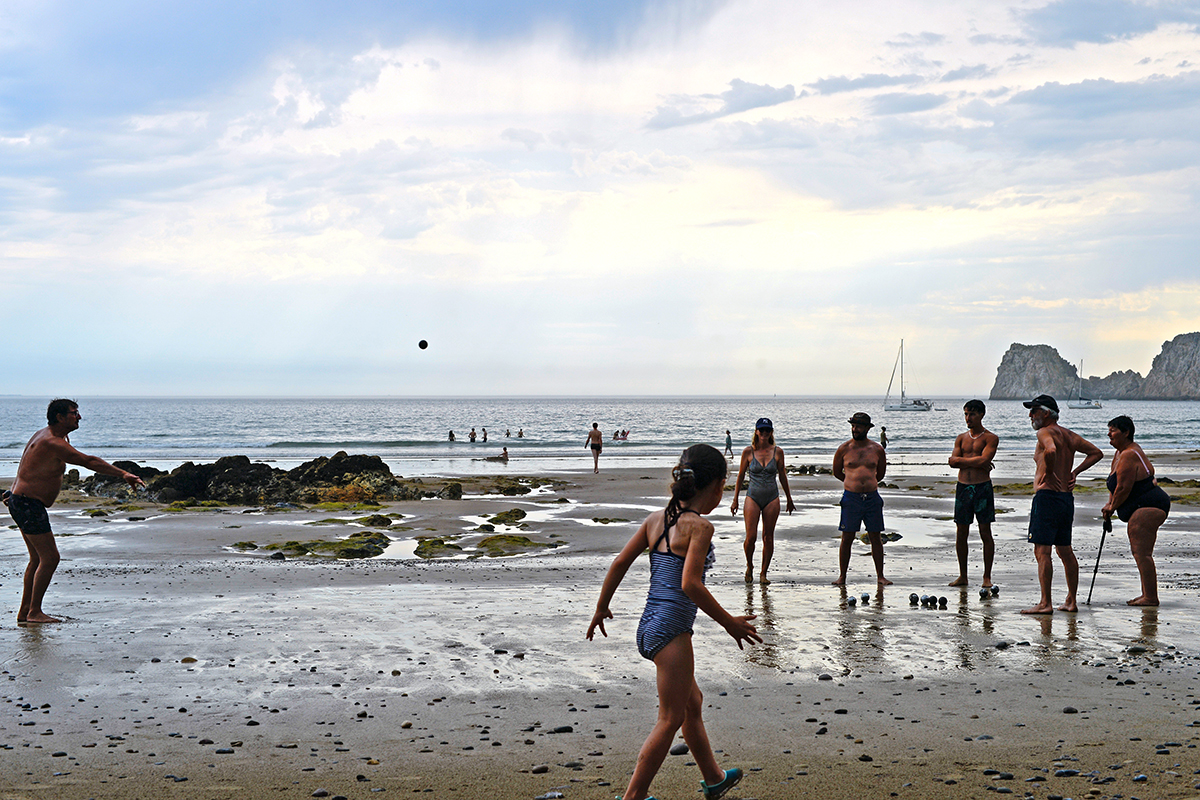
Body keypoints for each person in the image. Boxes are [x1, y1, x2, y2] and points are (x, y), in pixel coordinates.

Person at [587, 444, 759, 800]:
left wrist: (601, 607)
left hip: (649, 626)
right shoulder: (700, 527)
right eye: (723, 489)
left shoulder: (656, 519)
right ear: (715, 487)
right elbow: (690, 584)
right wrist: (729, 623)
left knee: (691, 703)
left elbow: (620, 562)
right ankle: (634, 795)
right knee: (670, 718)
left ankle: (714, 778)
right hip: (671, 631)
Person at [4, 399, 146, 623]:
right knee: (50, 559)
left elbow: (28, 467)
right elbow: (87, 461)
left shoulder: (48, 435)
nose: (79, 417)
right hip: (27, 504)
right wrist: (123, 474)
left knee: (36, 559)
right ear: (59, 417)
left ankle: (25, 612)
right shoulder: (52, 442)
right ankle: (34, 613)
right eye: (74, 413)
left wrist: (12, 494)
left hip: (21, 501)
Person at [1020, 395, 1103, 615]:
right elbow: (1096, 453)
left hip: (1047, 496)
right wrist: (1073, 472)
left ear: (1046, 413)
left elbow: (1051, 450)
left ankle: (1045, 603)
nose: (1030, 415)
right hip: (1066, 498)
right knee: (1065, 551)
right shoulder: (1069, 435)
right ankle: (1071, 601)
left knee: (1042, 550)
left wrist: (1047, 472)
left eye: (1034, 410)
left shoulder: (1044, 432)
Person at [1102, 415, 1171, 606]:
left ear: (1126, 433)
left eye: (1113, 430)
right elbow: (1114, 486)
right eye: (1109, 429)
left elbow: (1124, 487)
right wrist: (1110, 505)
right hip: (1140, 506)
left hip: (1150, 506)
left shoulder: (1129, 454)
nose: (1109, 433)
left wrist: (1112, 507)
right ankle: (1146, 594)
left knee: (1142, 552)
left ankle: (1150, 597)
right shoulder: (1119, 453)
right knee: (1138, 551)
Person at [731, 418, 794, 585]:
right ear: (756, 432)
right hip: (753, 496)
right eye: (762, 430)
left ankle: (763, 573)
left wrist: (789, 498)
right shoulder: (748, 452)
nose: (764, 433)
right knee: (750, 537)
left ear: (771, 432)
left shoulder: (778, 452)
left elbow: (782, 475)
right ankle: (749, 565)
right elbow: (740, 476)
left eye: (768, 430)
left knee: (768, 537)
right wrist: (735, 499)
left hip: (772, 497)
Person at [832, 412, 891, 585]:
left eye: (858, 426)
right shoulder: (844, 449)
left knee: (876, 537)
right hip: (851, 498)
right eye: (853, 426)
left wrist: (867, 483)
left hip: (872, 498)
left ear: (867, 428)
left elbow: (880, 474)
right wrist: (852, 483)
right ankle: (842, 576)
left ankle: (880, 576)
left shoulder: (876, 449)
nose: (854, 429)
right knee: (847, 537)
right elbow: (837, 472)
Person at [948, 400, 999, 587]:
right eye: (966, 414)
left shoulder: (991, 438)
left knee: (985, 531)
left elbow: (985, 459)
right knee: (961, 532)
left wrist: (968, 460)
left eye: (972, 414)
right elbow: (952, 462)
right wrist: (975, 461)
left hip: (982, 487)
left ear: (981, 415)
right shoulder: (961, 438)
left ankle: (987, 576)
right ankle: (963, 575)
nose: (968, 418)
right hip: (963, 488)